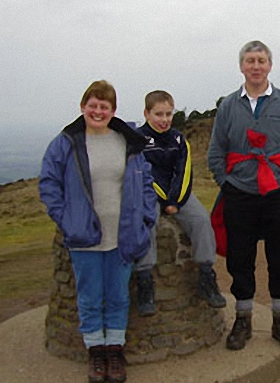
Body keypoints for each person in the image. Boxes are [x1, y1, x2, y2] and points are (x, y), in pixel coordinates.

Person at [39, 80, 157, 383]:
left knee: (118, 296)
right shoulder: (67, 142)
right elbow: (49, 183)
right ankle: (95, 352)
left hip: (124, 234)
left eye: (104, 106)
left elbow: (145, 181)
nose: (98, 111)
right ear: (83, 107)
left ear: (113, 110)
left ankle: (114, 351)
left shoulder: (126, 140)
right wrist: (66, 219)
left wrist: (145, 217)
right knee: (90, 297)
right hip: (84, 235)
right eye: (93, 105)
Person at [208, 40, 280, 351]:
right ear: (241, 66)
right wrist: (225, 183)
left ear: (270, 65)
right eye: (250, 60)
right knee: (241, 260)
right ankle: (243, 320)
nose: (256, 66)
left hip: (278, 194)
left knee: (279, 260)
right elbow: (216, 151)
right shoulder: (228, 105)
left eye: (261, 60)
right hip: (239, 195)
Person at [134, 90, 226, 315]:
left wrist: (175, 200)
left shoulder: (178, 139)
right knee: (146, 223)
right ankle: (145, 283)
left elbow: (184, 172)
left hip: (177, 194)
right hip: (148, 193)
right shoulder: (136, 140)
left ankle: (206, 276)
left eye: (168, 114)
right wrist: (163, 200)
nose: (164, 119)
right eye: (158, 114)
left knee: (202, 220)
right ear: (147, 114)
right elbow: (143, 173)